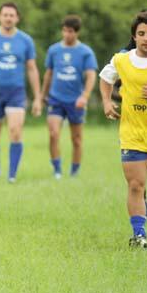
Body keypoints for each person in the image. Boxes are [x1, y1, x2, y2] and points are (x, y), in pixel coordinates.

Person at [99, 11, 147, 249]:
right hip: (133, 134)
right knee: (136, 185)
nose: (146, 38)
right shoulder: (122, 60)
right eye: (141, 34)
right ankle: (139, 236)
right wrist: (107, 102)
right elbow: (106, 78)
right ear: (134, 36)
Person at [0, 2, 42, 183]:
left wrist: (38, 97)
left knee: (15, 131)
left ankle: (12, 175)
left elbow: (32, 69)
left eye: (12, 15)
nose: (8, 18)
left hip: (16, 92)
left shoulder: (25, 40)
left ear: (17, 18)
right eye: (5, 14)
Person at [41, 15, 97, 178]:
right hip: (56, 99)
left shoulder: (85, 52)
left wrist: (85, 96)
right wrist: (41, 96)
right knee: (53, 134)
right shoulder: (54, 50)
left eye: (70, 31)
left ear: (77, 32)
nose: (66, 34)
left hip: (76, 101)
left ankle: (74, 171)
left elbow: (91, 76)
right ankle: (57, 170)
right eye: (64, 31)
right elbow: (48, 74)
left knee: (77, 139)